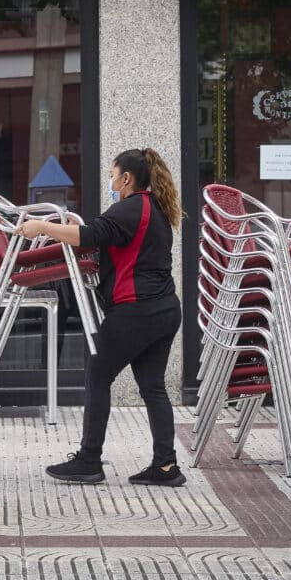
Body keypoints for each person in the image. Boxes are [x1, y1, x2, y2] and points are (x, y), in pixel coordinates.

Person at [16, 147, 185, 486]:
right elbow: (103, 237)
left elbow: (88, 235)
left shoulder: (130, 208)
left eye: (112, 175)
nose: (110, 181)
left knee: (97, 375)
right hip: (165, 309)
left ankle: (89, 459)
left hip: (136, 310)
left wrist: (40, 227)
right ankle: (166, 466)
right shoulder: (155, 208)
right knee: (152, 387)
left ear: (126, 178)